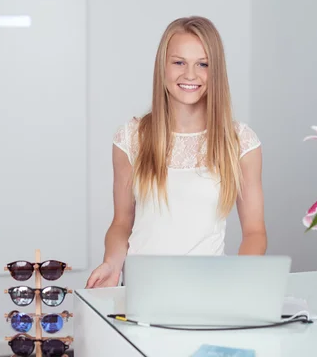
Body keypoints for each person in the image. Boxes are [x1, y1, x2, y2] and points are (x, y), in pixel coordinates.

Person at [85, 16, 267, 289]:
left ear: (215, 70)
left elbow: (255, 232)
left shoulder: (240, 142)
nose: (190, 75)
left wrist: (237, 279)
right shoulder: (131, 139)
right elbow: (121, 223)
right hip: (142, 290)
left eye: (203, 64)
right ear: (163, 67)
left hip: (207, 290)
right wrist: (112, 262)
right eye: (179, 62)